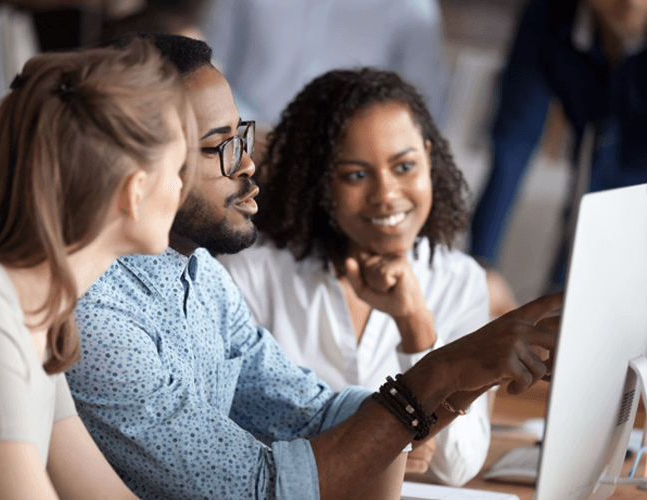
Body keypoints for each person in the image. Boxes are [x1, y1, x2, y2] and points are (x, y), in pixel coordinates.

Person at [66, 34, 561, 500]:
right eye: (222, 145)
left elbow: (320, 417)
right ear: (142, 164)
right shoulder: (98, 319)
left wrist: (469, 371)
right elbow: (258, 489)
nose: (247, 165)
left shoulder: (200, 276)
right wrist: (444, 370)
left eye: (243, 137)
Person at [218, 67, 491, 486]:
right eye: (356, 175)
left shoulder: (457, 279)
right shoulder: (254, 274)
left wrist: (416, 326)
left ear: (429, 159)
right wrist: (380, 437)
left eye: (404, 166)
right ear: (320, 183)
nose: (386, 194)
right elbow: (219, 436)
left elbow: (459, 465)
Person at [0, 39, 198, 499]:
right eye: (177, 169)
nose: (181, 187)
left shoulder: (44, 311)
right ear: (134, 192)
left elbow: (99, 492)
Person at [470, 0, 647, 289]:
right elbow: (512, 147)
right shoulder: (549, 18)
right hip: (587, 192)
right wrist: (479, 267)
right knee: (561, 310)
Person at [199, 0, 450, 127]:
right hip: (244, 148)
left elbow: (421, 109)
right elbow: (208, 67)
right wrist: (250, 131)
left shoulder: (411, 8)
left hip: (341, 167)